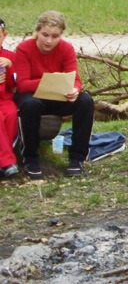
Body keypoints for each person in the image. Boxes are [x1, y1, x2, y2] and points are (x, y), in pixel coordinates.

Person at [14, 11, 95, 179]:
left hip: (58, 95)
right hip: (33, 96)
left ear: (61, 35)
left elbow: (76, 80)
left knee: (85, 100)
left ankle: (77, 158)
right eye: (45, 35)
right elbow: (22, 84)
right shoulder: (24, 48)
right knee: (30, 105)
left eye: (54, 36)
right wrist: (48, 80)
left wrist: (75, 90)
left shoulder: (66, 48)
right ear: (37, 32)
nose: (49, 41)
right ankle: (30, 158)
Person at [0, 19, 19, 179]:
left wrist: (10, 65)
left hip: (4, 99)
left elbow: (15, 84)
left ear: (4, 36)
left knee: (11, 115)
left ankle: (4, 162)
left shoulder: (9, 56)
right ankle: (7, 162)